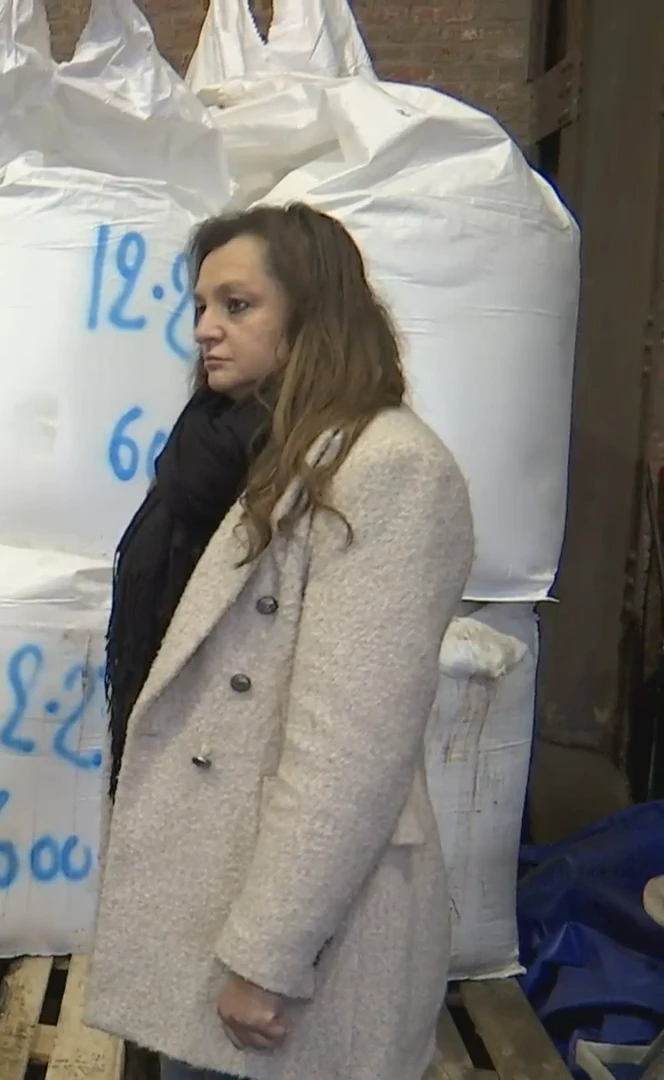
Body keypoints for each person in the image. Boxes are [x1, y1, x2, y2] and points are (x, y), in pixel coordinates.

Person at [85, 203, 475, 1080]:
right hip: (207, 890)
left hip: (292, 945)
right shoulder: (230, 455)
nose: (205, 331)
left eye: (237, 305)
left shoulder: (387, 469)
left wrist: (268, 957)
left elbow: (350, 748)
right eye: (199, 308)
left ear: (310, 317)